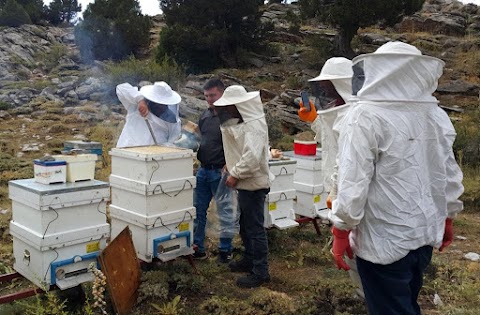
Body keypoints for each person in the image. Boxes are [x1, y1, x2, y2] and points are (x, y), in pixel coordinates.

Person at [330, 41, 464, 315]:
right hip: (423, 236)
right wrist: (447, 217)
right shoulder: (435, 115)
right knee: (406, 303)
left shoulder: (363, 116)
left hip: (383, 242)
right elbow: (449, 174)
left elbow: (353, 182)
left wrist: (340, 230)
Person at [298, 57, 364, 298]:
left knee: (360, 247)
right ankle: (362, 292)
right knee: (352, 250)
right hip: (338, 192)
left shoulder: (357, 115)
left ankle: (370, 294)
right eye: (322, 87)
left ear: (342, 84)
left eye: (328, 86)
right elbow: (329, 138)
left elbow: (349, 160)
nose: (324, 92)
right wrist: (314, 118)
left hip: (352, 193)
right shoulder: (334, 109)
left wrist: (337, 192)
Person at [213, 85, 271, 288]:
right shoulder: (240, 122)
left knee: (255, 228)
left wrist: (235, 173)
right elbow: (238, 149)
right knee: (245, 226)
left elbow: (252, 157)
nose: (226, 111)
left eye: (229, 107)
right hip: (244, 182)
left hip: (254, 184)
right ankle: (249, 258)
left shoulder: (254, 125)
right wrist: (229, 165)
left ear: (239, 105)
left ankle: (260, 271)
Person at [193, 78, 236, 263]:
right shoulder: (205, 115)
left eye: (213, 95)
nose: (209, 99)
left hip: (221, 172)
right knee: (198, 211)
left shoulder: (230, 115)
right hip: (203, 171)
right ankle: (198, 248)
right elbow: (200, 138)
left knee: (225, 212)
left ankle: (225, 251)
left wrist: (232, 165)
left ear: (222, 93)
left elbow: (237, 144)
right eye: (206, 96)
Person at [115, 81, 181, 148]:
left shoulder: (171, 118)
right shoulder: (135, 105)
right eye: (157, 103)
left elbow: (173, 141)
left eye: (163, 104)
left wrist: (164, 147)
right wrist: (140, 100)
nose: (160, 106)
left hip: (155, 155)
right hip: (127, 151)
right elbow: (121, 88)